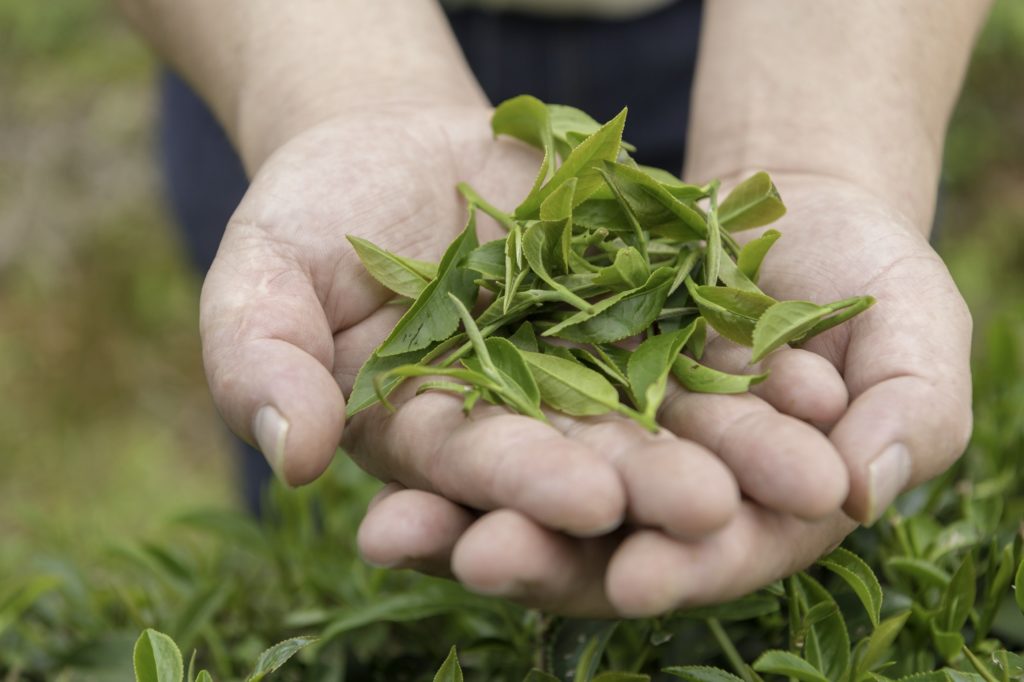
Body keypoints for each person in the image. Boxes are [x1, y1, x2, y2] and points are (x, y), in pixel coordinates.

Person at [116, 0, 987, 617]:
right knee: (324, 523)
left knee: (774, 535)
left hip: (803, 39)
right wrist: (344, 89)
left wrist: (816, 147)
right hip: (287, 35)